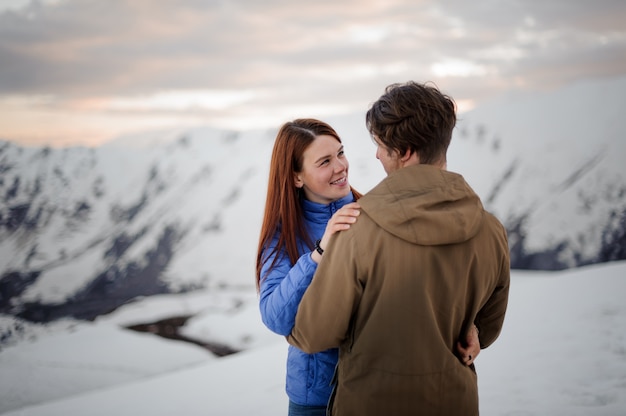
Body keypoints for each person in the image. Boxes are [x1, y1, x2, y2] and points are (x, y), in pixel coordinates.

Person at [287, 82, 510, 416]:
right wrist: (470, 328)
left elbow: (313, 334)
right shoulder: (491, 230)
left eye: (380, 145)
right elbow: (488, 327)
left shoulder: (356, 229)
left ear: (404, 152)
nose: (376, 154)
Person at [256, 118, 481, 416]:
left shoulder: (377, 213)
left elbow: (420, 285)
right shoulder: (283, 235)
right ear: (297, 177)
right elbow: (275, 316)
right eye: (324, 161)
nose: (340, 166)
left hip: (375, 388)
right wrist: (320, 252)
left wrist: (466, 326)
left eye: (340, 153)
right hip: (315, 398)